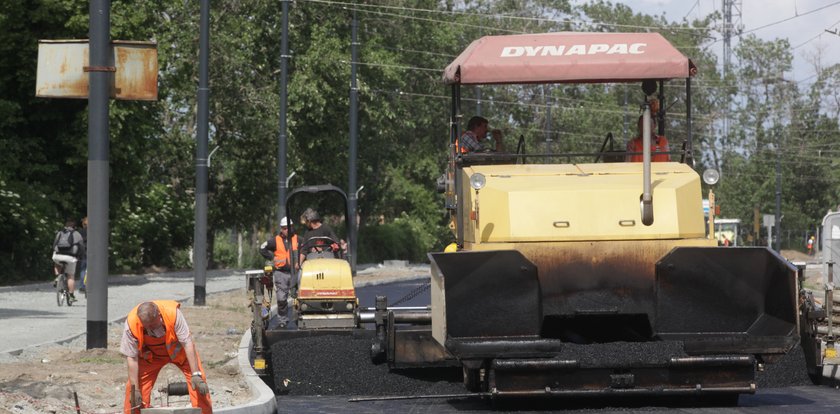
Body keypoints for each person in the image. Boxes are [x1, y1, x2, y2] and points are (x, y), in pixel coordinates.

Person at [121, 300, 212, 414]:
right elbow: (132, 358)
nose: (151, 329)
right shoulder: (131, 324)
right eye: (147, 326)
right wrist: (135, 389)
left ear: (159, 315)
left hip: (180, 353)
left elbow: (187, 343)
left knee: (199, 386)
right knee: (134, 395)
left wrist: (196, 374)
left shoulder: (173, 314)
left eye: (153, 324)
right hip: (151, 357)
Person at [259, 217, 299, 328]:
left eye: (289, 228)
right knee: (281, 299)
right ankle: (283, 320)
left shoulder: (298, 239)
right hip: (281, 273)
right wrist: (272, 257)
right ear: (281, 229)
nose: (287, 230)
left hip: (296, 273)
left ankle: (300, 319)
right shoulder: (275, 240)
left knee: (300, 297)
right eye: (285, 228)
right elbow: (262, 248)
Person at [51, 219, 84, 303]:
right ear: (75, 227)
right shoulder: (77, 234)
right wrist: (80, 256)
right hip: (70, 257)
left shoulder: (60, 233)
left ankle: (58, 276)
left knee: (56, 261)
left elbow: (54, 244)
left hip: (57, 255)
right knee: (70, 276)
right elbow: (81, 247)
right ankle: (72, 295)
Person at [77, 217, 88, 293]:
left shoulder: (80, 232)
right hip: (93, 252)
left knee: (83, 269)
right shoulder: (95, 231)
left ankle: (82, 286)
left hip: (83, 252)